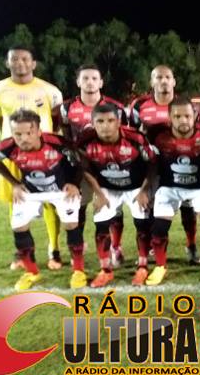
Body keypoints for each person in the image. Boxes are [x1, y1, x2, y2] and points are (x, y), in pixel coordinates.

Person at [0, 110, 85, 290]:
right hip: (30, 191)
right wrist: (14, 183)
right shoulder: (7, 147)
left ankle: (78, 271)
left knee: (71, 224)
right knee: (18, 226)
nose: (23, 138)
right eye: (18, 134)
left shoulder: (58, 144)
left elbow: (81, 161)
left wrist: (74, 183)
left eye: (29, 133)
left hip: (62, 190)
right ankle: (32, 272)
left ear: (39, 131)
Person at [0, 46, 64, 271]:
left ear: (33, 63)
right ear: (7, 63)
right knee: (17, 198)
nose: (20, 63)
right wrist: (11, 142)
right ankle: (23, 252)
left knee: (51, 201)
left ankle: (54, 249)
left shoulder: (50, 91)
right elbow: (0, 120)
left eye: (25, 59)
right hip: (13, 154)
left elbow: (56, 121)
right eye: (15, 59)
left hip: (45, 154)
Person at [150, 96, 200, 286]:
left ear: (194, 116)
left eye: (187, 116)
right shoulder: (157, 136)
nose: (183, 120)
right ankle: (160, 266)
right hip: (169, 187)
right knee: (159, 228)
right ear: (169, 118)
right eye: (177, 116)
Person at [54, 64, 128, 267]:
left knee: (113, 208)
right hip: (80, 167)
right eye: (85, 78)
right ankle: (78, 247)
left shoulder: (116, 107)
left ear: (101, 82)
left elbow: (122, 136)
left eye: (94, 78)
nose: (90, 82)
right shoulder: (67, 108)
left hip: (108, 166)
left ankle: (115, 247)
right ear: (78, 82)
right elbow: (67, 136)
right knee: (79, 205)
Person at [128, 65, 200, 264]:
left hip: (180, 163)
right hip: (151, 165)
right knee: (151, 206)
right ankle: (153, 246)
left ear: (174, 81)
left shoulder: (185, 105)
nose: (163, 81)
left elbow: (198, 132)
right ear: (152, 82)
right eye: (159, 77)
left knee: (187, 207)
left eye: (168, 77)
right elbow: (131, 135)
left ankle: (191, 245)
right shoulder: (139, 106)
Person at [77, 104, 156, 287]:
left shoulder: (135, 138)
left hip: (135, 186)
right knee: (101, 224)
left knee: (142, 224)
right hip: (107, 187)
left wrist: (144, 191)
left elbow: (152, 164)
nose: (105, 126)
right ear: (92, 123)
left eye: (110, 120)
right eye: (100, 121)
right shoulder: (85, 141)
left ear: (119, 122)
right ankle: (105, 270)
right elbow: (85, 168)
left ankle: (142, 266)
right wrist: (98, 194)